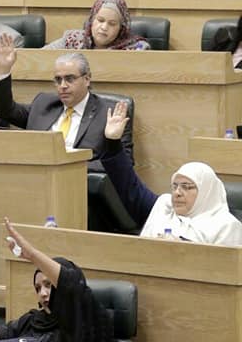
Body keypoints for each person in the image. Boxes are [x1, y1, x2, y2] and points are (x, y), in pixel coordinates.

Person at [0, 219, 114, 342]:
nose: (43, 294)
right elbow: (2, 332)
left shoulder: (85, 318)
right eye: (38, 288)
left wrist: (32, 255)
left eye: (48, 285)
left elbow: (71, 285)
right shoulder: (33, 320)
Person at [101, 101, 242, 245]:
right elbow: (127, 185)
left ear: (206, 193)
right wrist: (113, 142)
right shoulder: (163, 207)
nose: (177, 193)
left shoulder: (226, 227)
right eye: (175, 186)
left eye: (186, 187)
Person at [0, 35, 132, 172]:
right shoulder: (43, 104)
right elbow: (4, 110)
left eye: (70, 79)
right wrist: (4, 70)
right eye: (58, 80)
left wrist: (68, 165)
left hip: (80, 182)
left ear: (87, 79)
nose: (63, 86)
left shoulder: (109, 113)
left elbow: (125, 163)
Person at [44, 0, 150, 51]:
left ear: (121, 28)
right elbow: (41, 56)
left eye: (112, 24)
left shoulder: (135, 48)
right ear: (92, 20)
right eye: (100, 20)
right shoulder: (72, 39)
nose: (104, 27)